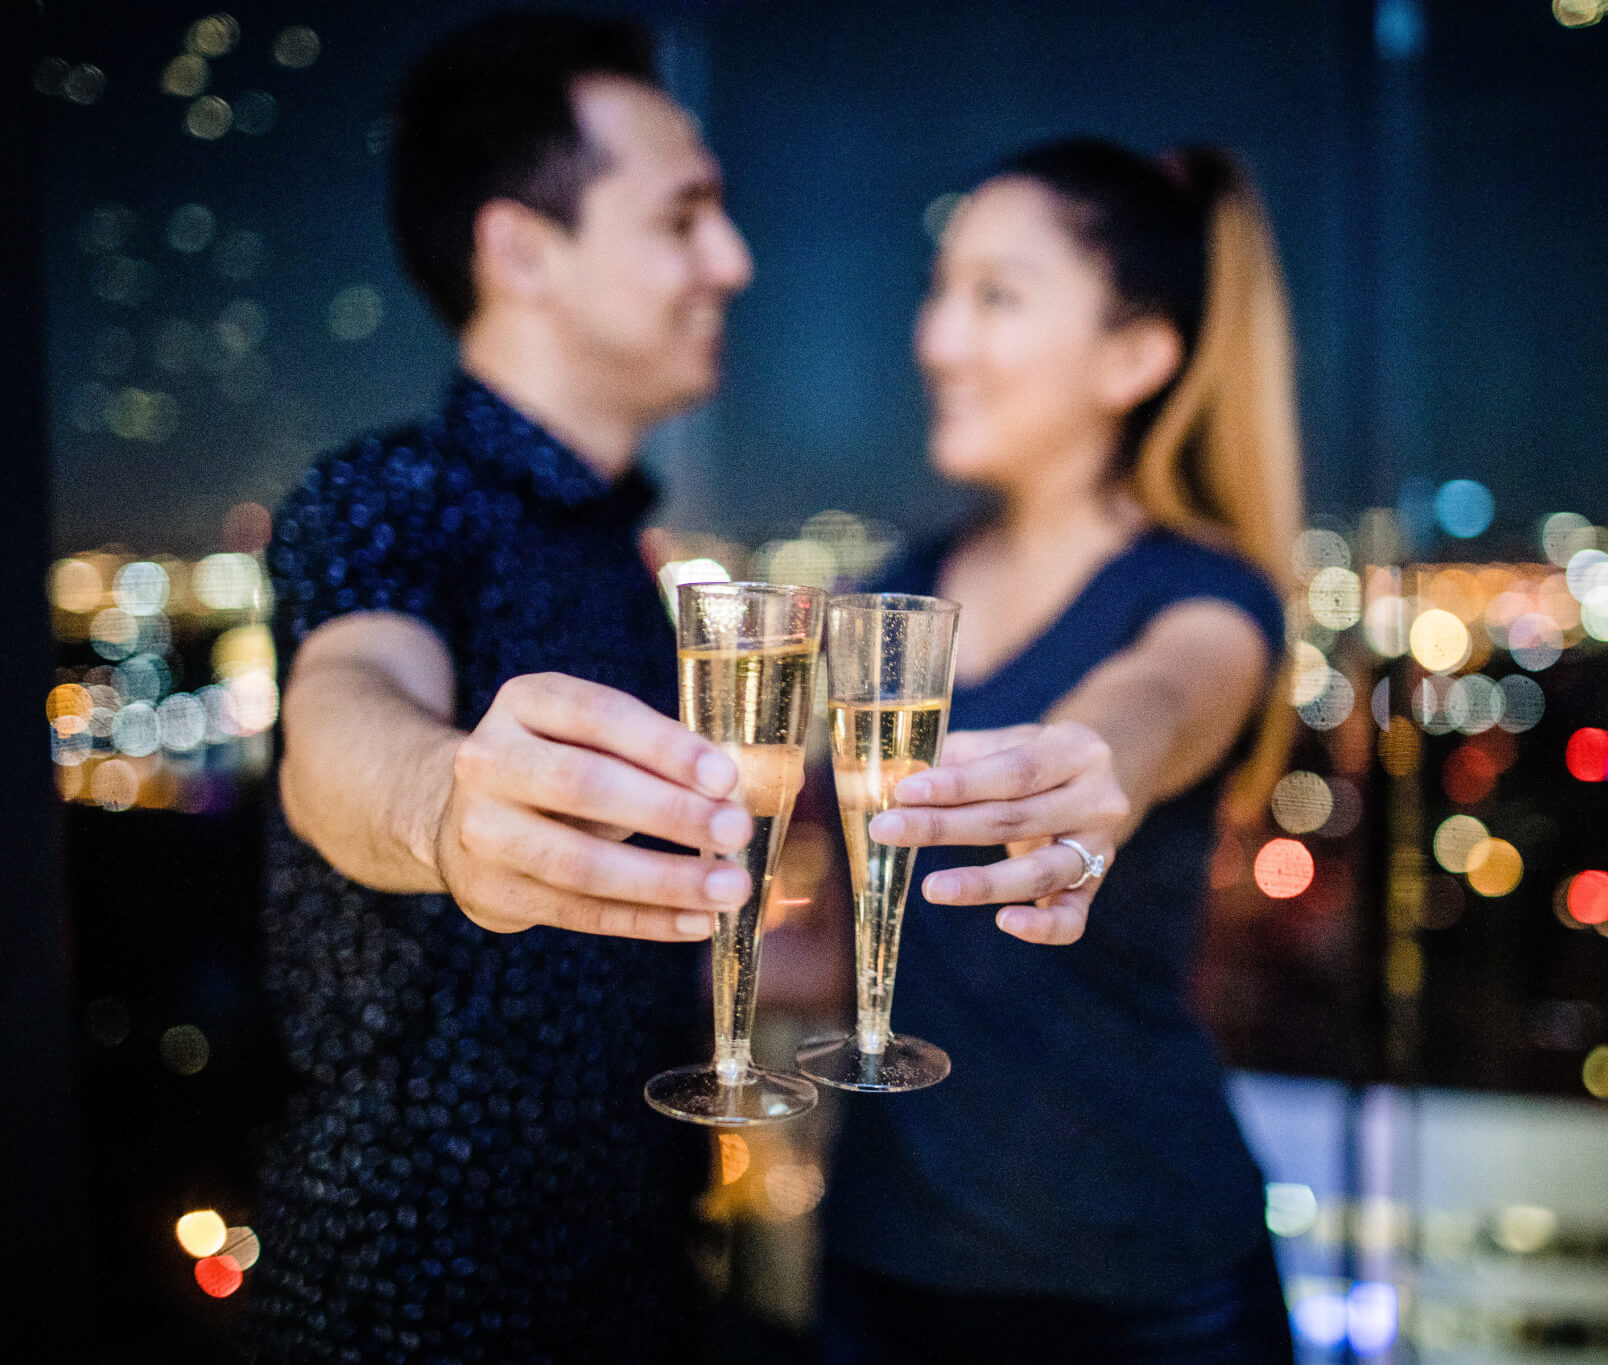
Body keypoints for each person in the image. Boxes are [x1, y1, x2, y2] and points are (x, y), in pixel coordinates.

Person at [249, 13, 1127, 1362]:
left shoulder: (621, 557)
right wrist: (442, 808)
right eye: (684, 218)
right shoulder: (387, 495)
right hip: (423, 1293)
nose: (736, 259)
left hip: (628, 1277)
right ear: (521, 251)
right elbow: (340, 714)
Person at [819, 138, 1303, 1363]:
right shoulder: (902, 590)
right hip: (880, 1265)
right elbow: (871, 945)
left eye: (995, 296)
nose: (936, 339)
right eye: (939, 291)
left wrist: (1096, 755)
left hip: (1141, 1287)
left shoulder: (1200, 597)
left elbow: (1163, 696)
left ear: (1135, 356)